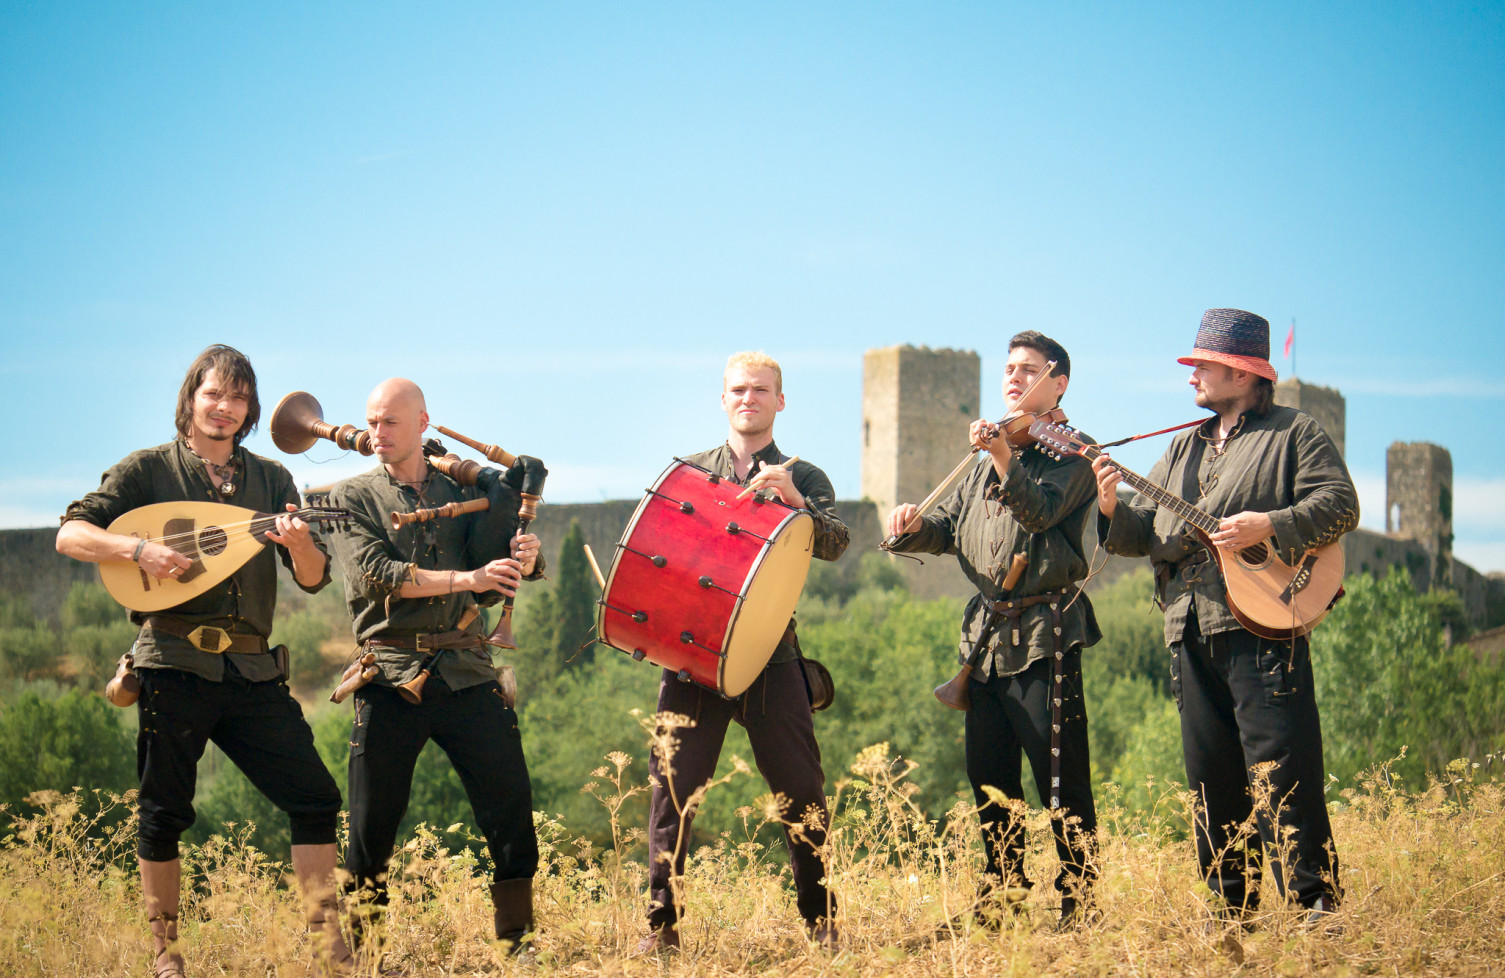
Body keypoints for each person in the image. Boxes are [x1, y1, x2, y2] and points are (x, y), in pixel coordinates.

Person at [56, 345, 352, 977]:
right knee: (163, 813)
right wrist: (139, 550)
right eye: (214, 394)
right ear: (191, 398)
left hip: (252, 670)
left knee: (315, 797)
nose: (225, 408)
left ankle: (330, 951)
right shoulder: (147, 471)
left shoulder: (271, 480)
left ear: (250, 410)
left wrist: (302, 542)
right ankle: (166, 956)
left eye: (238, 398)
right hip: (171, 662)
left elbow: (311, 578)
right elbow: (71, 535)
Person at [1093, 308, 1357, 927]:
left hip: (1263, 622)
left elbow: (1341, 504)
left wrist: (1272, 524)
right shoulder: (1181, 448)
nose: (1191, 377)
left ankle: (1315, 904)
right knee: (1209, 776)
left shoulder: (1294, 433)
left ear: (1241, 374)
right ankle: (1231, 910)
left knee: (1283, 765)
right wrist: (1109, 508)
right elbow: (1143, 533)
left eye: (1202, 366)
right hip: (1187, 624)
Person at [885, 330, 1101, 929]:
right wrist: (912, 526)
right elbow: (948, 530)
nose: (1013, 377)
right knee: (989, 778)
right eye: (1009, 368)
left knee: (1060, 779)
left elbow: (1039, 512)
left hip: (1045, 634)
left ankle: (1080, 904)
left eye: (1028, 369)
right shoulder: (984, 462)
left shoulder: (1076, 455)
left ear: (1058, 383)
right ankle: (1003, 899)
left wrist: (1005, 456)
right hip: (984, 641)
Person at [636, 351, 850, 954]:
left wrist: (797, 503)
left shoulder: (805, 476)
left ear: (780, 401)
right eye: (738, 389)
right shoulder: (687, 473)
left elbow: (836, 543)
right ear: (723, 399)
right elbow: (657, 553)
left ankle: (821, 923)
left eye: (760, 390)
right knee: (672, 790)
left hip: (771, 654)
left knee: (801, 790)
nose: (748, 398)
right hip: (691, 656)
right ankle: (663, 928)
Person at [325, 378, 544, 957]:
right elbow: (378, 574)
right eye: (371, 422)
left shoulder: (461, 487)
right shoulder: (351, 497)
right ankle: (365, 955)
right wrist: (468, 578)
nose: (377, 433)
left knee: (509, 800)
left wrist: (525, 557)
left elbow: (491, 574)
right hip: (390, 673)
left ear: (423, 423)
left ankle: (518, 941)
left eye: (390, 422)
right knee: (372, 821)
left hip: (467, 668)